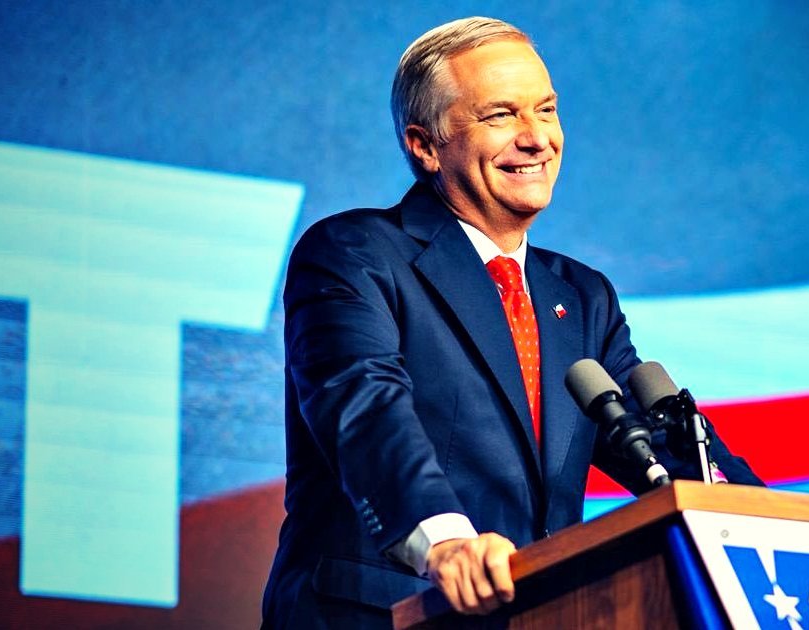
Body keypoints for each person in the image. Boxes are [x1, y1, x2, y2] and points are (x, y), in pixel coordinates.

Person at [261, 16, 761, 628]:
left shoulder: (581, 298)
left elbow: (655, 445)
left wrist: (771, 531)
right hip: (386, 613)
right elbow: (364, 411)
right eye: (501, 116)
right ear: (424, 144)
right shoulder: (355, 253)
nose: (536, 138)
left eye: (546, 110)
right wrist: (446, 543)